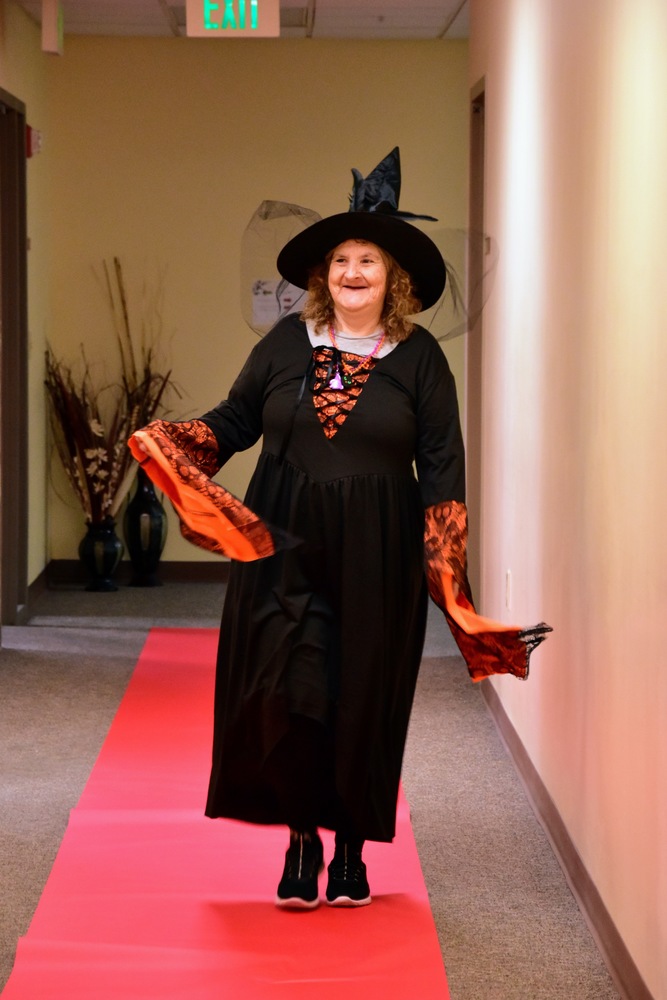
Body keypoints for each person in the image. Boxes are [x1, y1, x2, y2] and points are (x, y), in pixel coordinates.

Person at [129, 149, 550, 911]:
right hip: (282, 542)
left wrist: (450, 586)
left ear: (393, 279)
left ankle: (350, 847)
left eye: (369, 261)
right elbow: (235, 420)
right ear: (323, 275)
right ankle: (301, 839)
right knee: (287, 689)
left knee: (362, 693)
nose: (353, 272)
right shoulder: (284, 344)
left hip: (377, 549)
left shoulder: (419, 359)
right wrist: (174, 441)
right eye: (341, 260)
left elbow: (442, 468)